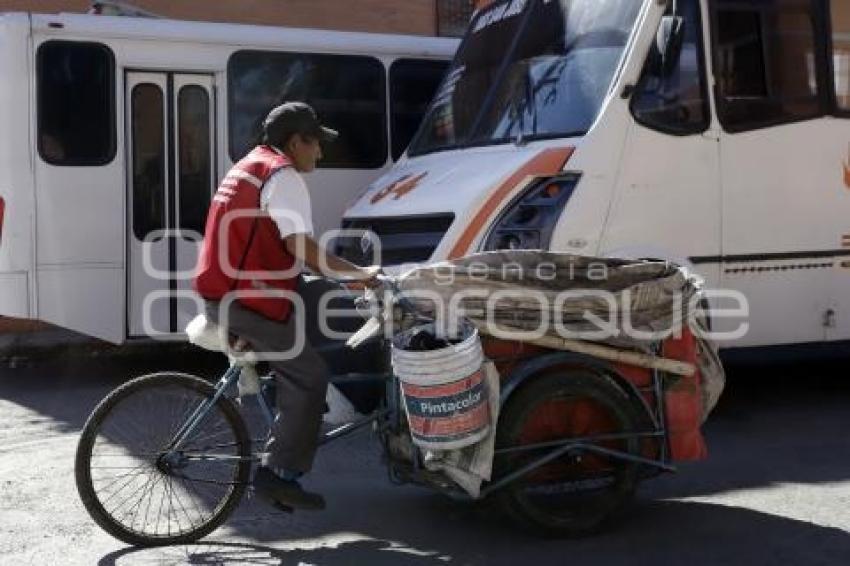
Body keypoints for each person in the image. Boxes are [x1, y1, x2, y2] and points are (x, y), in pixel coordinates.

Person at [193, 101, 380, 510]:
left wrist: (341, 283)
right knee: (310, 375)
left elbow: (283, 251)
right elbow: (303, 249)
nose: (321, 154)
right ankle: (280, 472)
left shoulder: (250, 164)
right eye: (316, 145)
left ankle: (316, 403)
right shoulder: (284, 175)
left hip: (229, 289)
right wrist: (361, 275)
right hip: (247, 300)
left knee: (327, 298)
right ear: (296, 142)